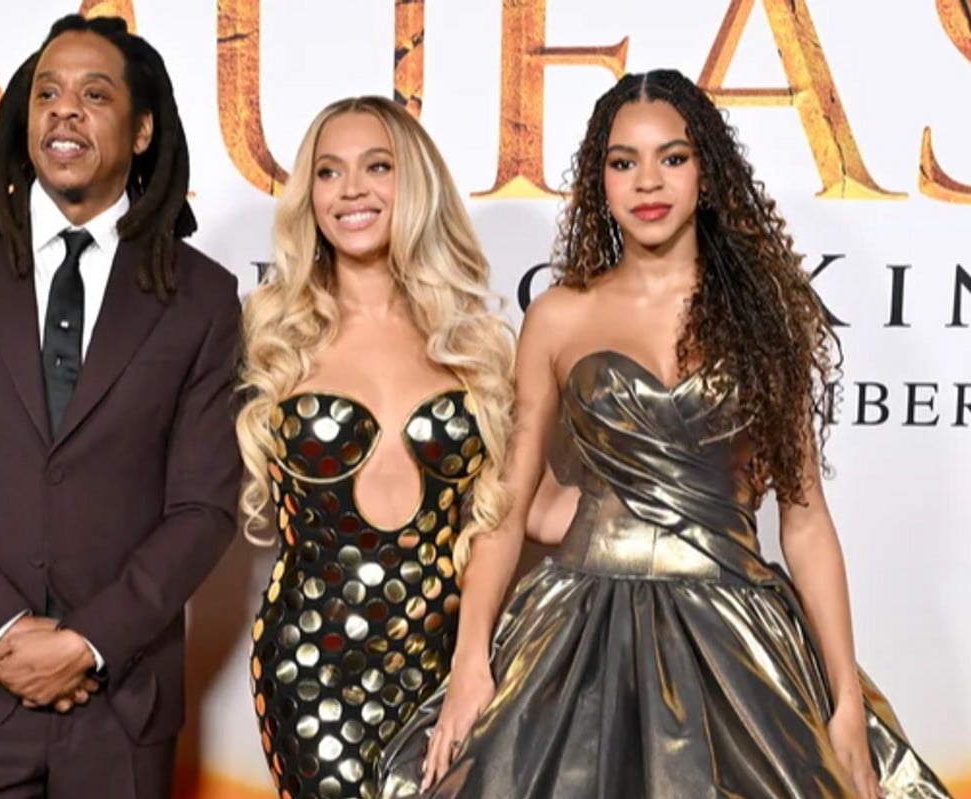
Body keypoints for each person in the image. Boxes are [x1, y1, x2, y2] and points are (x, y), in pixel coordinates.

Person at [376, 69, 951, 799]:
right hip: (575, 634)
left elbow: (804, 523)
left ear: (706, 172)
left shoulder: (767, 317)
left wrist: (842, 701)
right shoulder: (558, 316)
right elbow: (508, 503)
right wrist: (470, 662)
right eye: (624, 162)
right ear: (601, 179)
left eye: (672, 157)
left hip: (737, 637)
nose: (648, 181)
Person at [0, 15, 241, 798]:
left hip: (119, 699)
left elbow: (203, 506)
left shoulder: (201, 295)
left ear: (140, 133)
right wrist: (4, 632)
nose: (64, 109)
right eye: (47, 93)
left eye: (94, 94)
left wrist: (89, 642)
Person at [236, 96, 515, 799]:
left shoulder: (475, 342)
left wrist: (473, 664)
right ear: (310, 197)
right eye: (328, 173)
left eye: (376, 166)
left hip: (449, 661)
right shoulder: (275, 333)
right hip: (312, 665)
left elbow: (505, 517)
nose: (351, 188)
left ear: (413, 183)